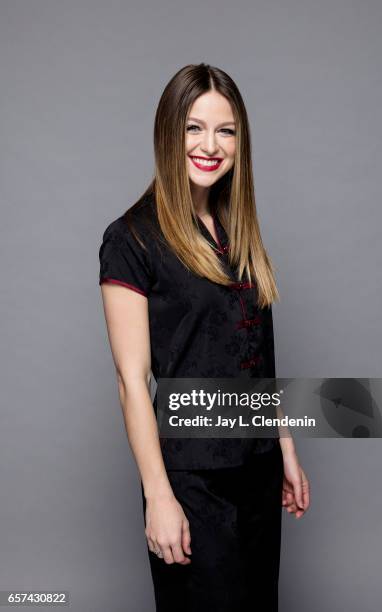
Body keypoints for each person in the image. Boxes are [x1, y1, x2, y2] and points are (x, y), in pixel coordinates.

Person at [98, 63, 310, 612]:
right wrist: (158, 496)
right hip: (191, 480)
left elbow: (258, 357)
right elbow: (131, 381)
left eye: (226, 130)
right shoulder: (131, 238)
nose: (210, 145)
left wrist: (284, 446)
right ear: (169, 133)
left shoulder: (239, 233)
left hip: (257, 472)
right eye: (194, 127)